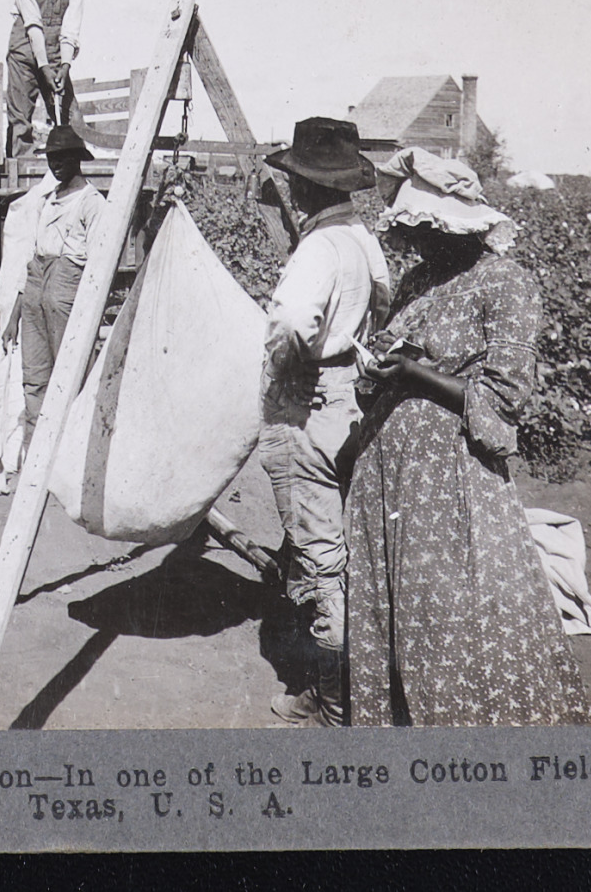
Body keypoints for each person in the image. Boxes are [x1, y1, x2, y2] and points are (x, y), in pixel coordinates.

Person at [345, 148, 588, 727]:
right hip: (389, 468)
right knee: (394, 596)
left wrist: (412, 373)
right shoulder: (420, 278)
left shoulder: (506, 283)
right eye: (414, 231)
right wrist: (380, 366)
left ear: (459, 225)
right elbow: (391, 347)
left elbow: (504, 394)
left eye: (427, 231)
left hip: (450, 474)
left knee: (451, 602)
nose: (419, 244)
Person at [256, 116, 391, 727]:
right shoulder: (363, 240)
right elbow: (384, 298)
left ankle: (334, 701)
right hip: (348, 398)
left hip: (307, 398)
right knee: (341, 541)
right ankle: (348, 681)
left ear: (307, 188)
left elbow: (288, 323)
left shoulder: (317, 248)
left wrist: (283, 372)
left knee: (321, 561)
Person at [6, 125, 106, 438]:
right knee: (34, 380)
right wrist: (14, 316)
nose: (55, 163)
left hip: (67, 292)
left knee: (71, 379)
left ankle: (68, 459)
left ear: (78, 158)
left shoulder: (92, 203)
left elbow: (98, 268)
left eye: (62, 157)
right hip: (36, 293)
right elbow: (32, 259)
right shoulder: (47, 200)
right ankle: (34, 464)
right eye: (52, 157)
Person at [5, 0, 83, 152]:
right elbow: (33, 26)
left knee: (69, 117)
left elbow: (70, 30)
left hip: (56, 58)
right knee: (20, 119)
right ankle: (19, 174)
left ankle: (69, 171)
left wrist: (65, 65)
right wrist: (44, 66)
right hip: (25, 57)